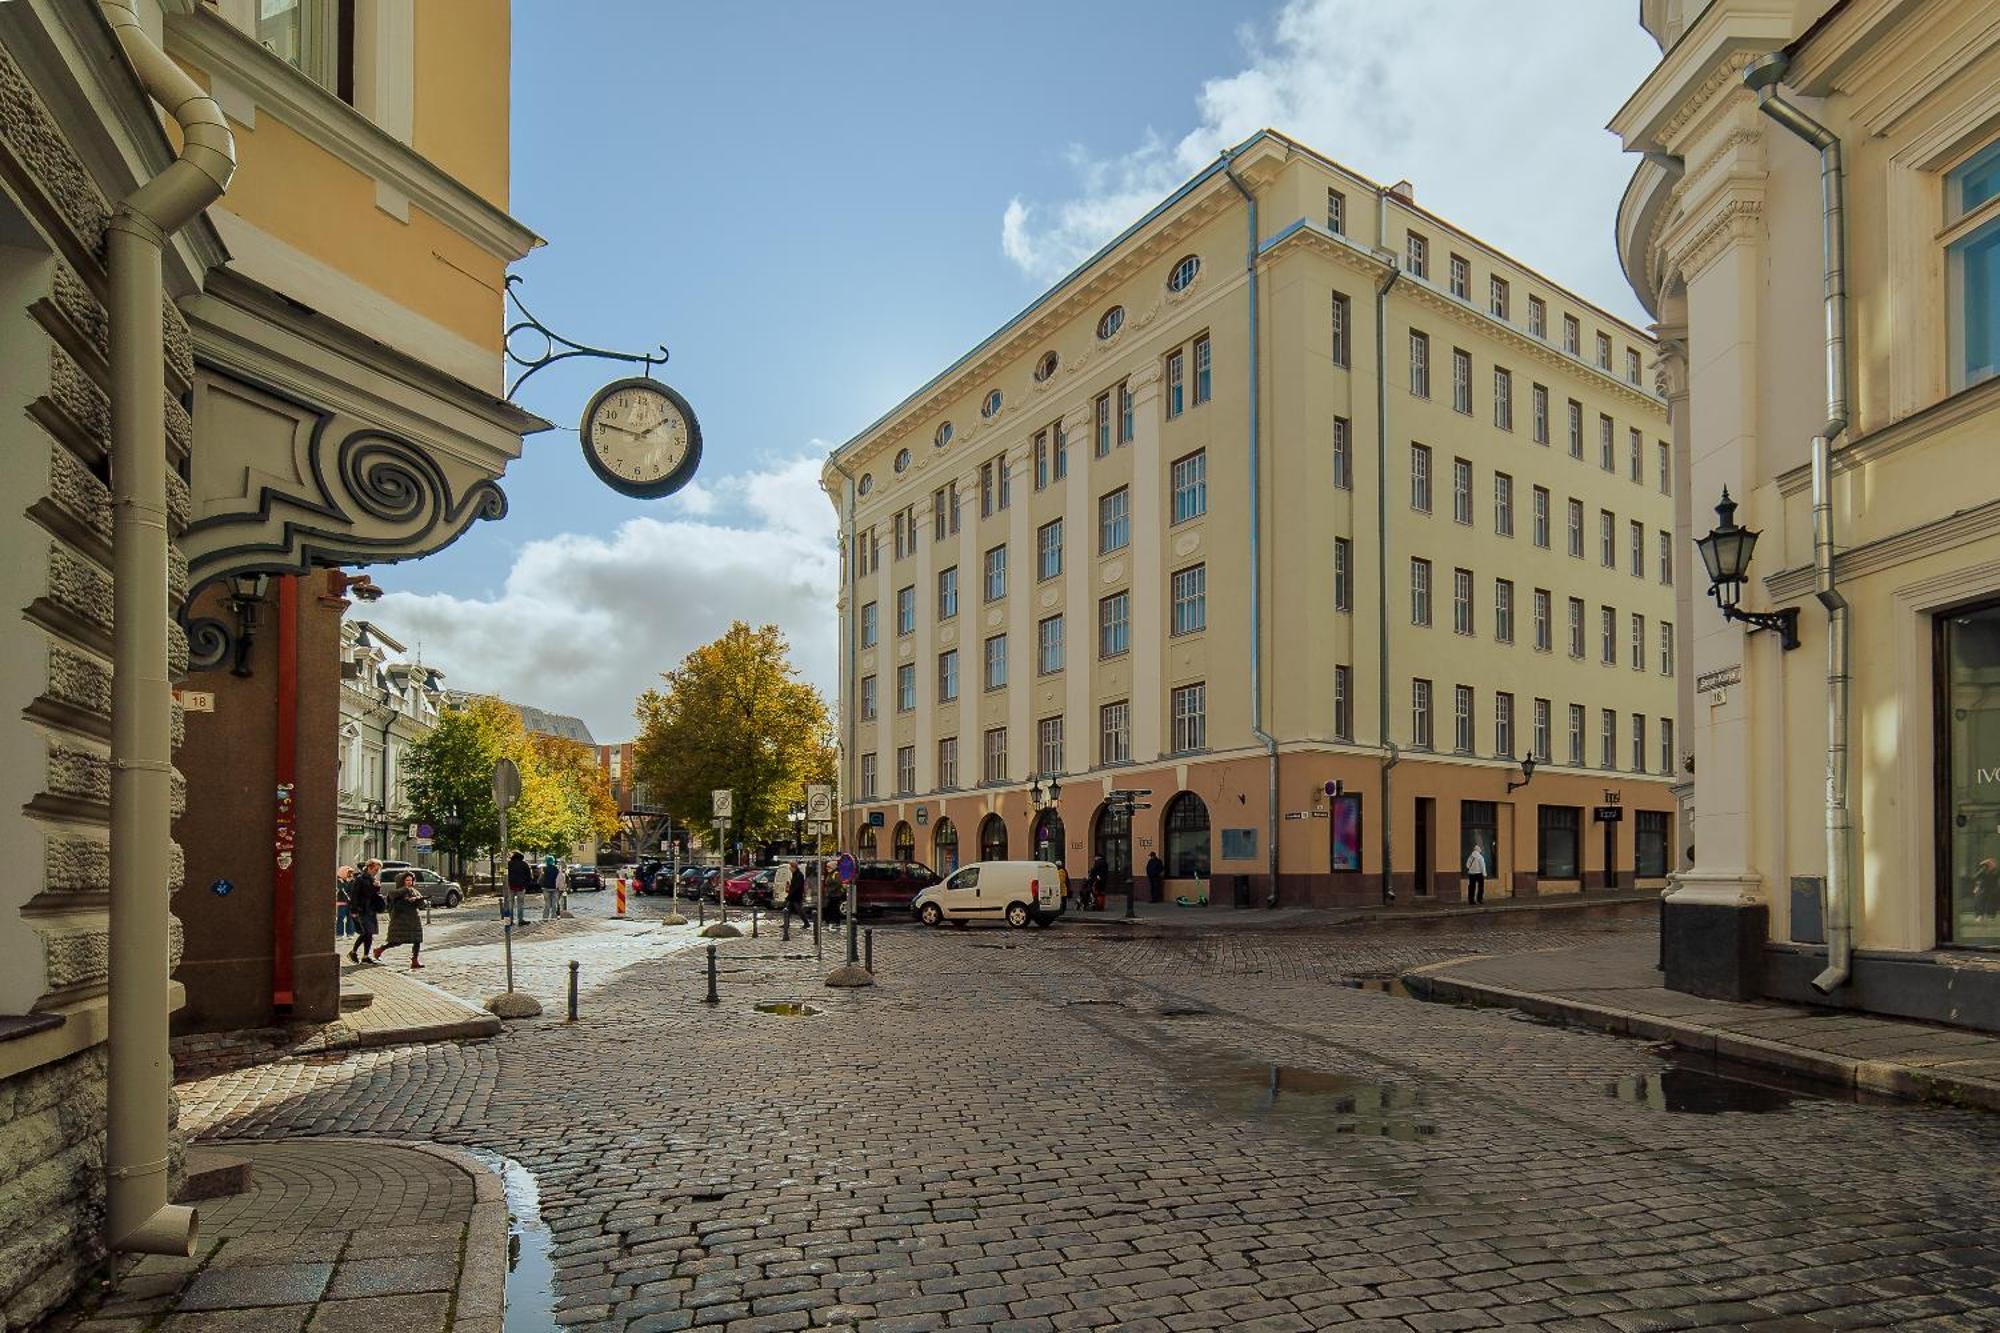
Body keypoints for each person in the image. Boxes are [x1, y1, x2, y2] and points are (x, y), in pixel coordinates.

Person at [374, 871, 425, 969]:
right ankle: (380, 949)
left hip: (414, 919)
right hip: (400, 920)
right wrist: (406, 898)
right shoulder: (397, 892)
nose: (409, 882)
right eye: (407, 880)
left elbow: (421, 904)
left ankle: (415, 960)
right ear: (402, 881)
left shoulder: (413, 890)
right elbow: (394, 901)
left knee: (417, 940)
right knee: (396, 941)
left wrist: (419, 899)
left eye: (411, 880)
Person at [347, 860, 383, 964]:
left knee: (369, 933)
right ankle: (353, 952)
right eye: (376, 869)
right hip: (362, 909)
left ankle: (365, 956)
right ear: (369, 868)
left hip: (371, 909)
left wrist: (377, 887)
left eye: (378, 870)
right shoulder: (360, 879)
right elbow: (355, 895)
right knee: (366, 932)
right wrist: (354, 909)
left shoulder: (372, 879)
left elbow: (373, 894)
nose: (377, 872)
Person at [506, 851, 533, 922]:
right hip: (521, 886)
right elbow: (529, 876)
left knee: (510, 904)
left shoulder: (509, 864)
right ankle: (520, 920)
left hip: (511, 885)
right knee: (520, 904)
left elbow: (506, 875)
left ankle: (510, 920)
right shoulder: (524, 864)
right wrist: (526, 886)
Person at [784, 861, 807, 925]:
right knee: (787, 909)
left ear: (794, 868)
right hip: (793, 896)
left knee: (799, 910)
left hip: (796, 896)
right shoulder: (795, 874)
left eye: (790, 867)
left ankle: (806, 923)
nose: (790, 869)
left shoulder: (799, 875)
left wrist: (790, 894)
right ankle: (786, 923)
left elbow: (797, 886)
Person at [335, 864, 354, 939]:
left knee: (350, 918)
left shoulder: (352, 881)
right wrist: (343, 883)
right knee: (340, 918)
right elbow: (341, 889)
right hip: (342, 902)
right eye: (348, 872)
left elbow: (352, 890)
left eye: (351, 873)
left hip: (350, 902)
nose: (350, 874)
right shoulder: (339, 881)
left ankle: (350, 933)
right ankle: (339, 934)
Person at [540, 854, 561, 921]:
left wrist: (542, 886)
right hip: (555, 888)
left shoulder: (544, 869)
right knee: (554, 904)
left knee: (547, 904)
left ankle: (545, 917)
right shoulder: (556, 869)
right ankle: (553, 918)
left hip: (546, 888)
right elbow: (559, 879)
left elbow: (540, 879)